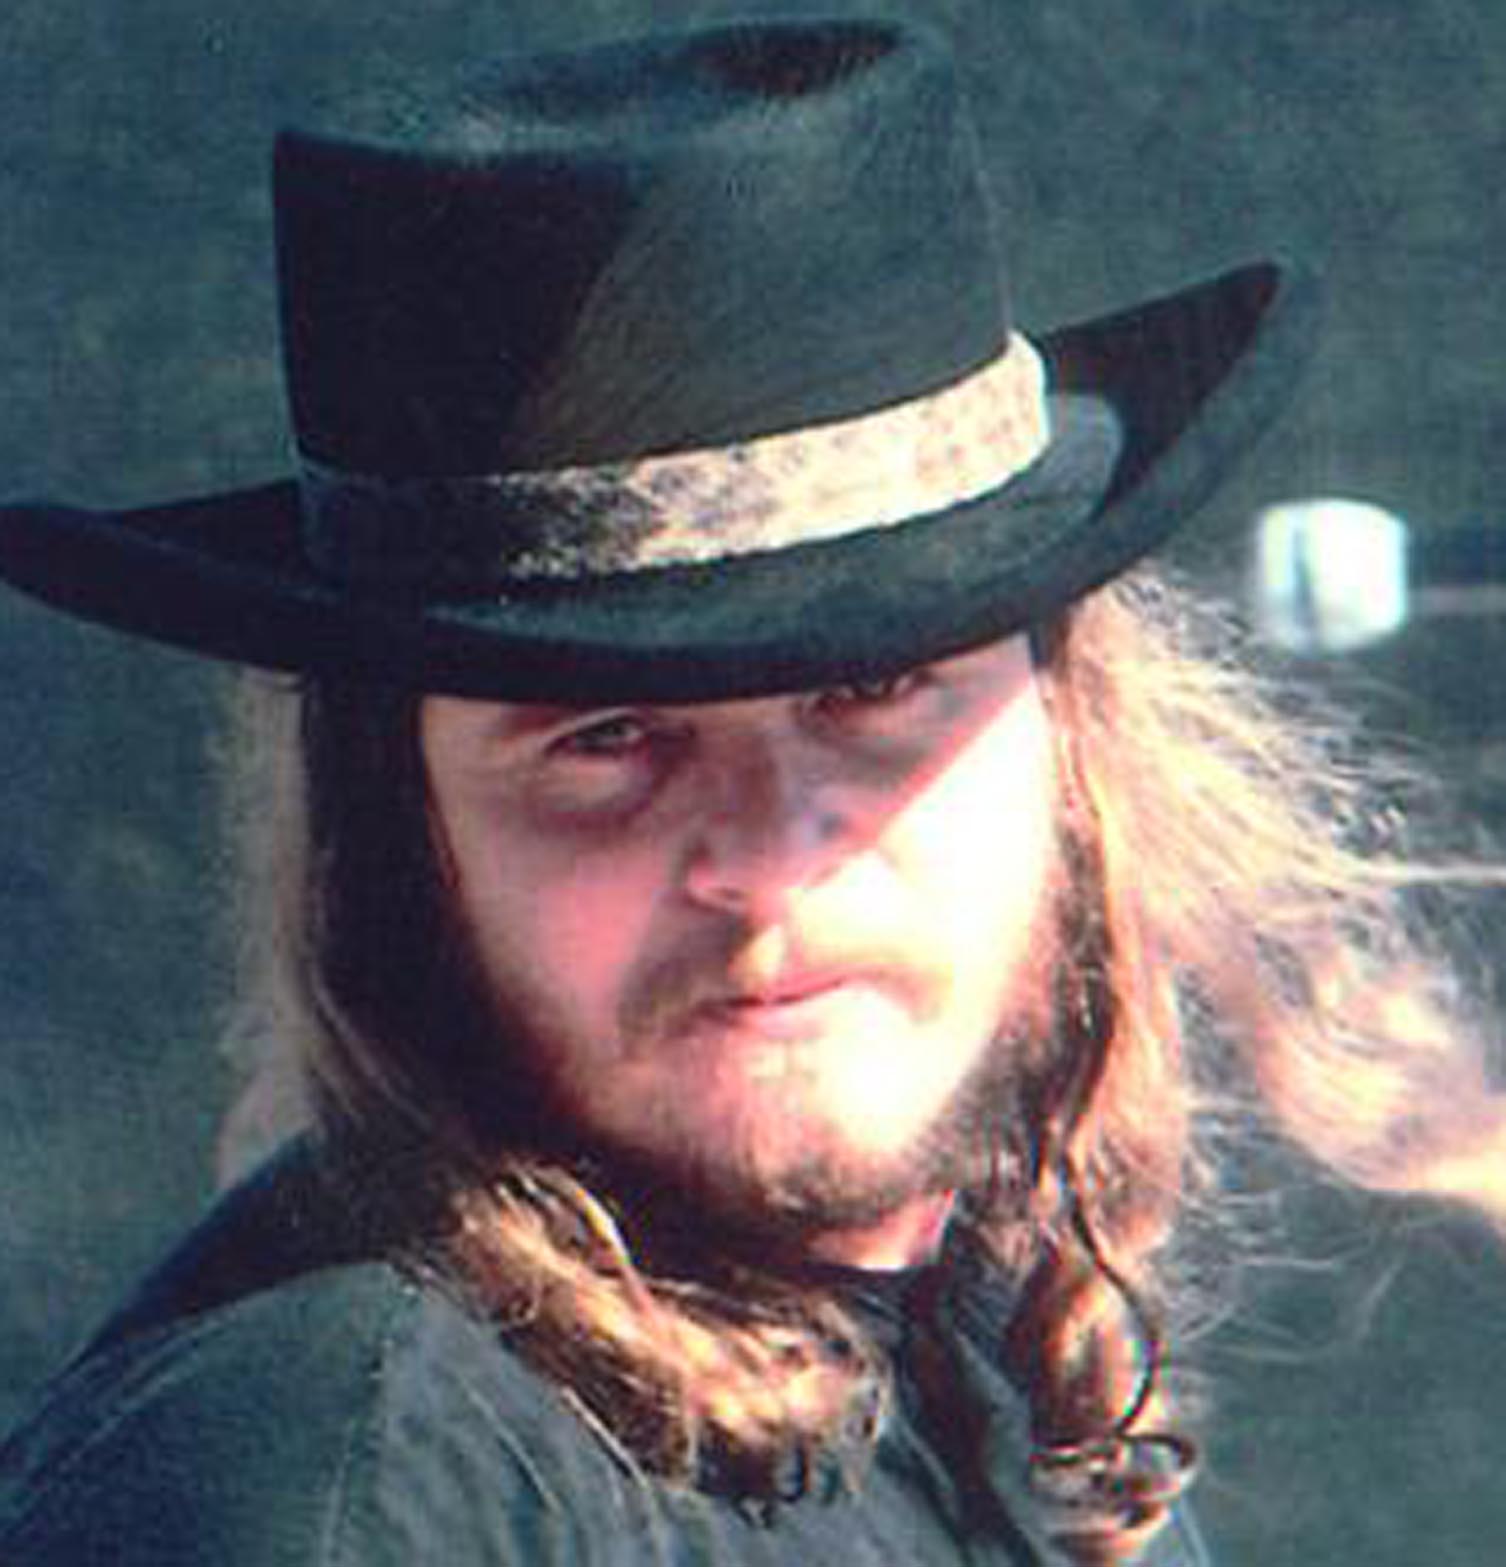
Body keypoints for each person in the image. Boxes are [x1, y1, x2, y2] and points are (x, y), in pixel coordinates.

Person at [0, 14, 1501, 1566]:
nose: (772, 850)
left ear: (1067, 737)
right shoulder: (334, 1494)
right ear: (395, 837)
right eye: (605, 737)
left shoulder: (1004, 1360)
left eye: (872, 689)